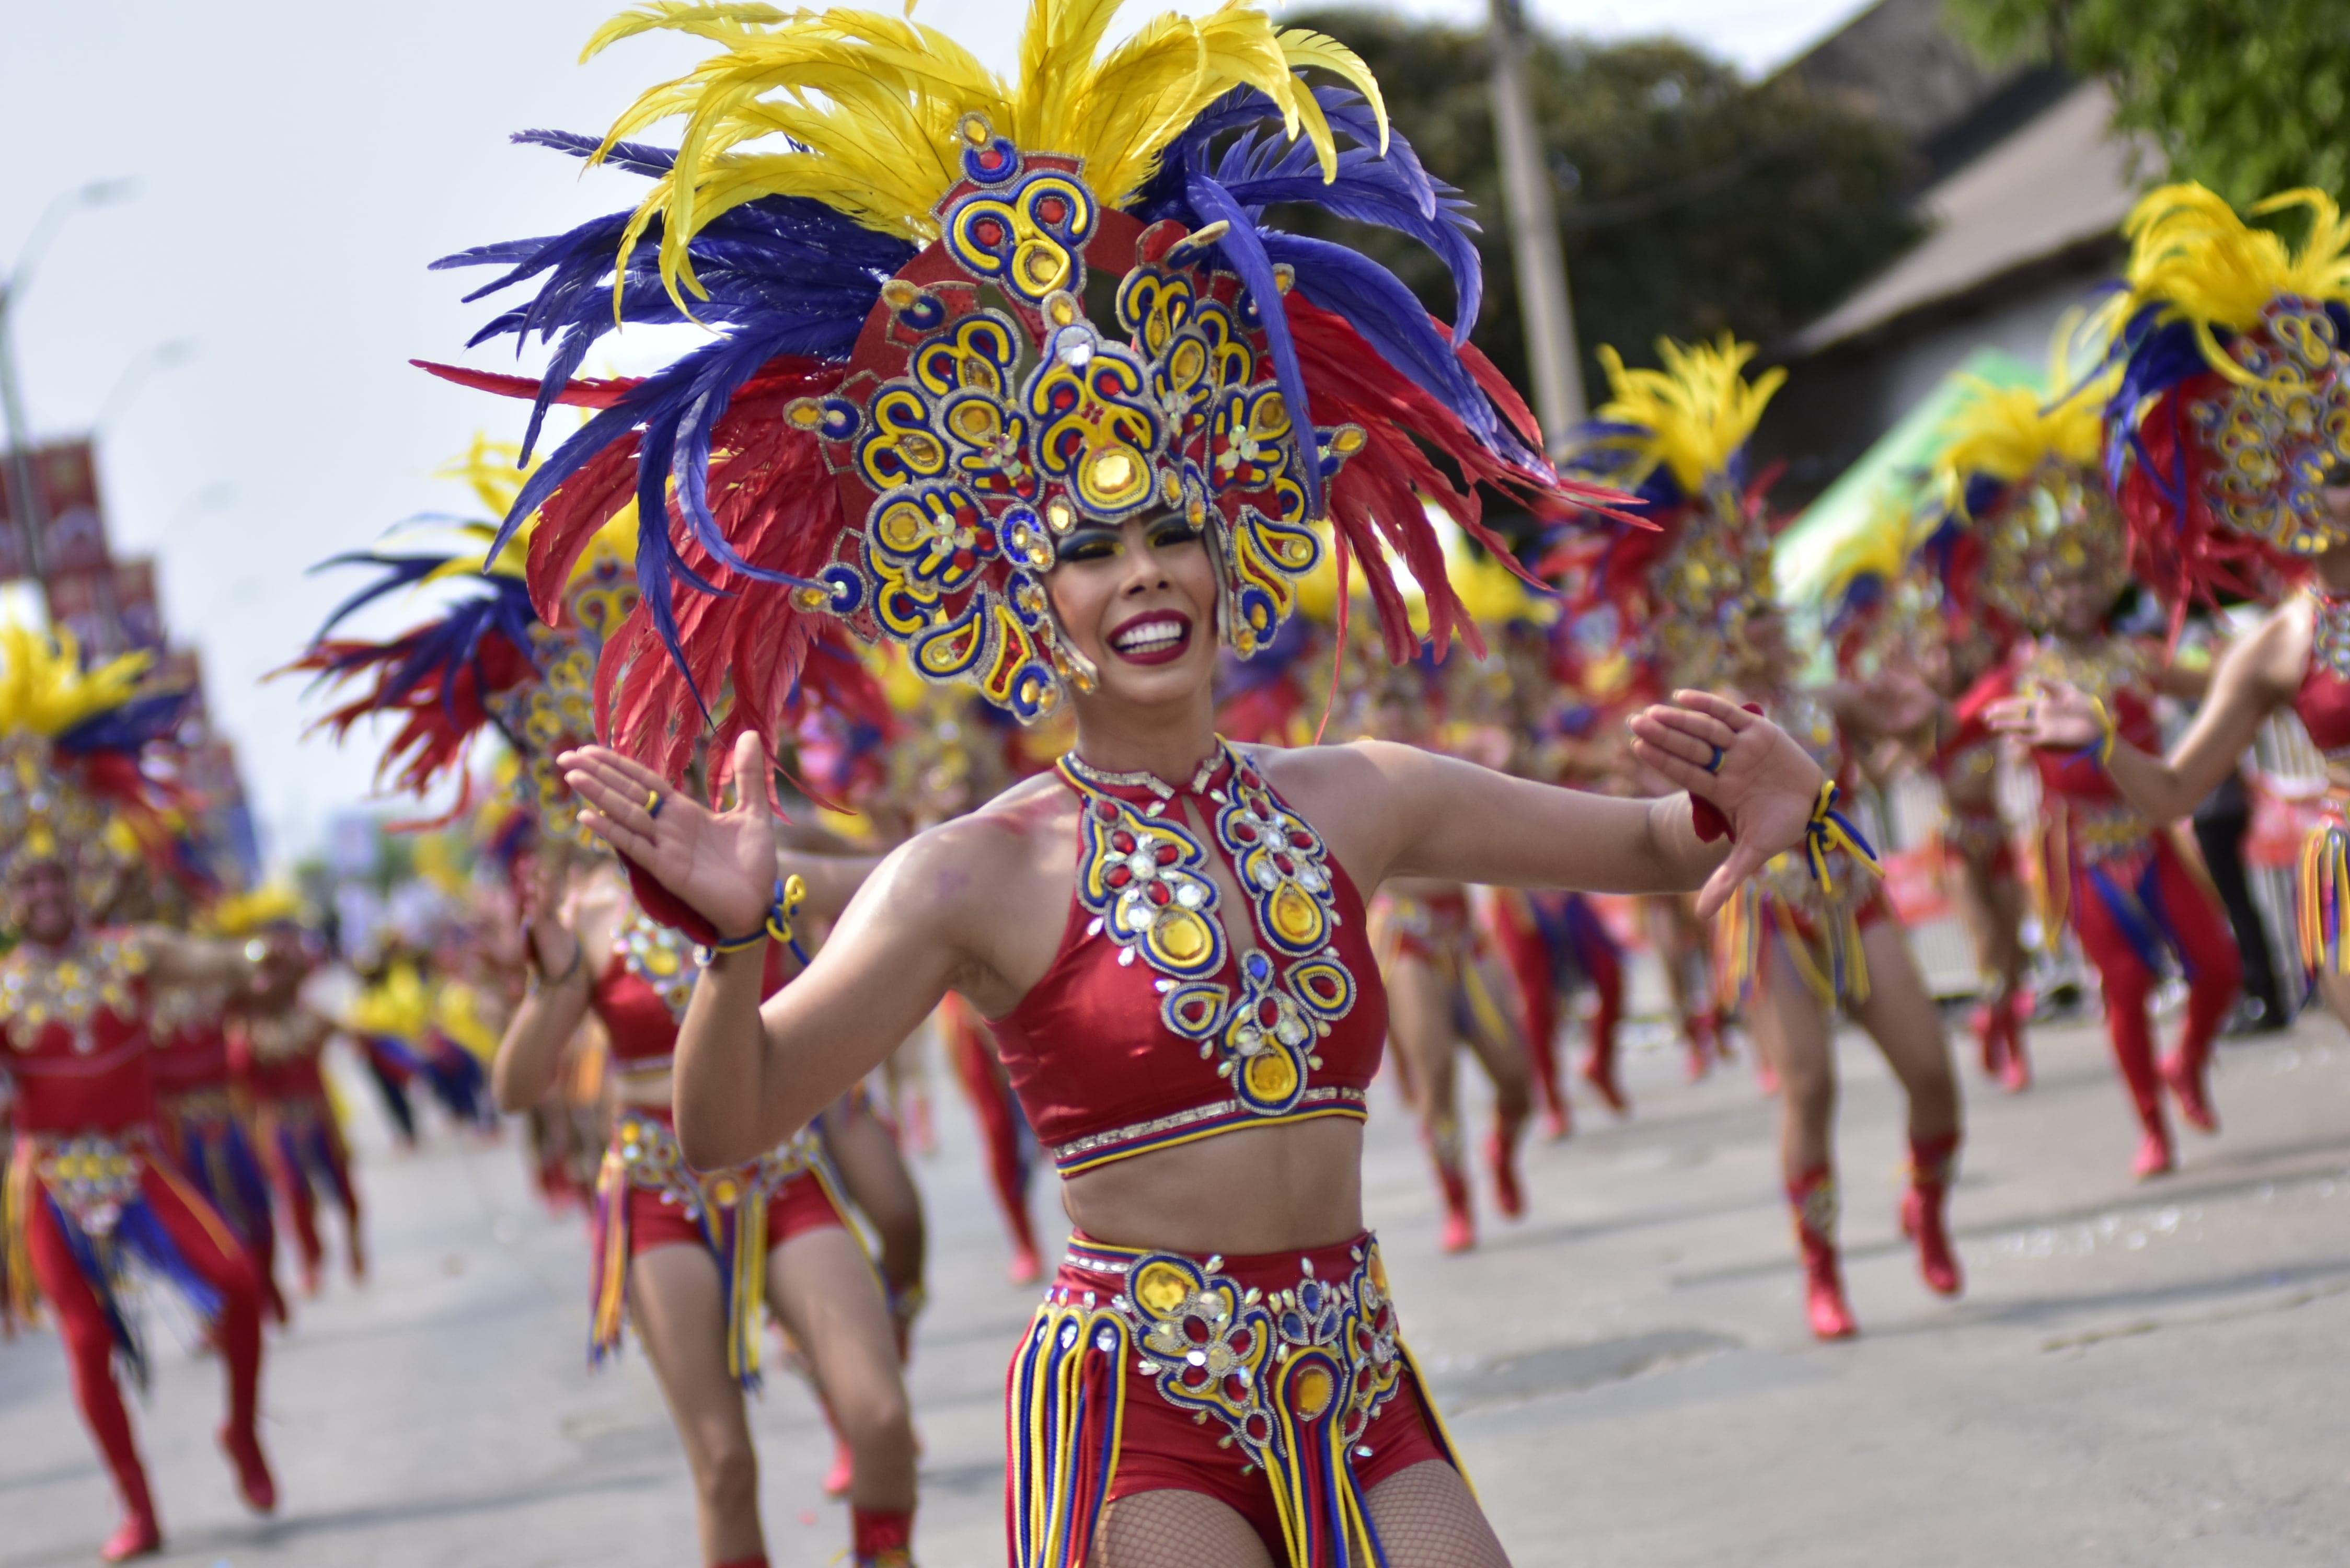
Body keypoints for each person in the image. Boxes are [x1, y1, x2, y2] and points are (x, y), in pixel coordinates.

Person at [433, 7, 1837, 1561]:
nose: (1144, 572)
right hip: (1140, 1413)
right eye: (1090, 551)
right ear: (1026, 602)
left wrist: (1765, 788)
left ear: (1231, 553)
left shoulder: (1362, 796)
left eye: (1172, 531)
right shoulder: (971, 872)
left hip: (1356, 1379)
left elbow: (1655, 844)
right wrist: (736, 940)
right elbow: (736, 1118)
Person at [295, 442, 921, 1568]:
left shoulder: (764, 857)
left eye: (670, 720)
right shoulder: (584, 911)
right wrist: (549, 985)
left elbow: (906, 884)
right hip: (656, 1189)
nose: (656, 749)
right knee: (724, 1465)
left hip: (783, 1167)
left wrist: (925, 839)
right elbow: (514, 1087)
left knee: (879, 1417)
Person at [1552, 336, 1966, 1340]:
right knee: (1809, 1087)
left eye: (1766, 605)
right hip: (1765, 919)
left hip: (1852, 899)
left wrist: (1926, 714)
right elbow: (1648, 801)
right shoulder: (1692, 725)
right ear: (1701, 625)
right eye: (1738, 611)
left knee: (1933, 1076)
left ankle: (1926, 1205)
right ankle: (1822, 1268)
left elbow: (1927, 734)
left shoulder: (1824, 698)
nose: (1763, 623)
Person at [1993, 190, 2350, 1062]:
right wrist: (2103, 741)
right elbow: (2175, 793)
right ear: (2276, 489)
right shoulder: (2279, 644)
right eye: (2332, 468)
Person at [0, 626, 280, 1561]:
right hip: (51, 1180)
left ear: (85, 876)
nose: (45, 890)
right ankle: (138, 1507)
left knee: (238, 1285)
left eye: (58, 874)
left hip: (139, 1161)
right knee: (85, 1345)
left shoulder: (135, 954)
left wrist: (263, 956)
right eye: (28, 879)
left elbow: (220, 964)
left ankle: (241, 1431)